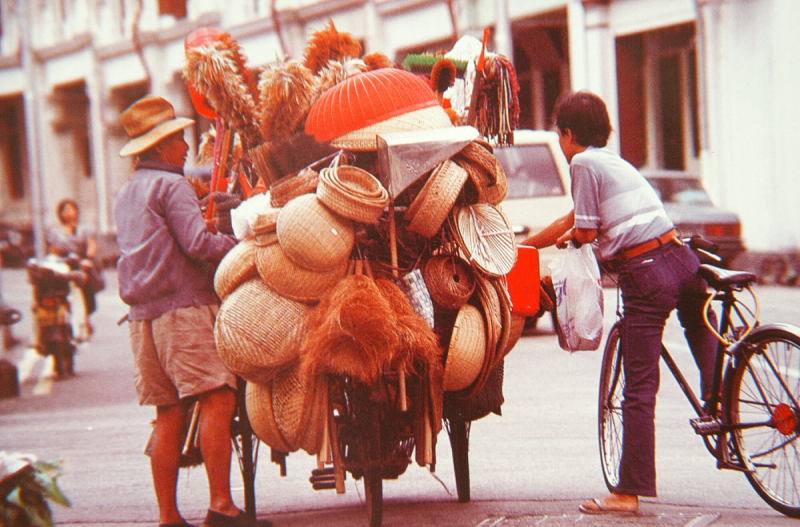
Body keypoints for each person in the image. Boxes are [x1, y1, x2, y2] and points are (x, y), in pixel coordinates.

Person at [522, 91, 718, 515]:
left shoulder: (582, 164)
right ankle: (720, 407)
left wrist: (570, 240)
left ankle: (628, 491)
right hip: (682, 260)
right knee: (700, 327)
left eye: (560, 134)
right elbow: (574, 219)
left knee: (639, 387)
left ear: (568, 134)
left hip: (646, 271)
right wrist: (524, 247)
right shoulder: (611, 162)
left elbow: (585, 233)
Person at [116, 94, 269, 527]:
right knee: (217, 398)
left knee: (168, 413)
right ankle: (221, 505)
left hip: (142, 319)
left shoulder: (128, 191)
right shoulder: (171, 185)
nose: (185, 146)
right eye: (178, 139)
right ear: (159, 146)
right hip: (183, 313)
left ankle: (169, 517)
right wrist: (242, 244)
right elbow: (199, 245)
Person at [46, 198, 100, 339]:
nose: (68, 212)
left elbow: (91, 245)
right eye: (64, 209)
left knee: (86, 293)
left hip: (81, 263)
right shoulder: (55, 231)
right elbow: (54, 251)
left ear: (76, 211)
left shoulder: (85, 229)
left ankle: (85, 320)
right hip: (64, 264)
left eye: (71, 209)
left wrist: (87, 259)